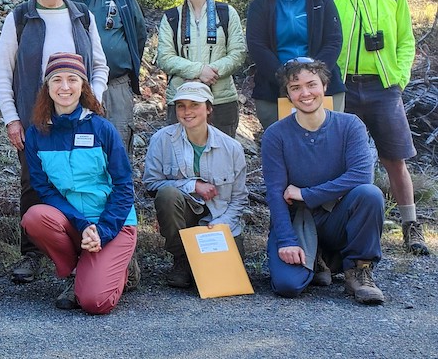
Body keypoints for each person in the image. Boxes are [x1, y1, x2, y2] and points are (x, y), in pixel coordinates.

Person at [0, 0, 109, 284]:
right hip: (35, 119)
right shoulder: (19, 18)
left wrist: (95, 99)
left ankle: (83, 247)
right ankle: (31, 255)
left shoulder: (82, 15)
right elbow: (4, 72)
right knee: (33, 183)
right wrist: (11, 118)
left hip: (80, 119)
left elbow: (100, 66)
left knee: (81, 180)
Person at [328, 0, 429, 255]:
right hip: (345, 86)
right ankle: (348, 226)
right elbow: (328, 43)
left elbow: (405, 40)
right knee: (342, 161)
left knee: (394, 157)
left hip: (383, 86)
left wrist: (398, 78)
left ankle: (410, 224)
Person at [262, 58, 385, 305]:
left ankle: (358, 270)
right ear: (287, 93)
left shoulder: (349, 125)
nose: (305, 93)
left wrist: (307, 194)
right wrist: (286, 240)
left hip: (337, 216)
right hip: (300, 219)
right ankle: (318, 258)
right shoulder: (275, 134)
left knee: (369, 194)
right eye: (296, 87)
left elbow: (361, 175)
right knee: (288, 286)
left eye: (311, 84)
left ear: (325, 86)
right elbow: (275, 193)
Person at [21, 53, 137, 314]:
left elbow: (124, 186)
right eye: (57, 80)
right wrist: (83, 225)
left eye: (72, 79)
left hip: (113, 223)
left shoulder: (102, 128)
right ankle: (77, 271)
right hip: (73, 222)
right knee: (35, 217)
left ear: (82, 86)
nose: (65, 87)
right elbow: (44, 190)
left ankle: (118, 269)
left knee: (95, 303)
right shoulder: (36, 134)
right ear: (47, 88)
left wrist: (102, 230)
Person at [143, 82, 247, 289]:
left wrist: (221, 224)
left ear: (208, 108)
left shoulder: (232, 148)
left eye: (194, 105)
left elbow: (239, 198)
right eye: (181, 106)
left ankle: (199, 261)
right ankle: (182, 258)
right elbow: (151, 184)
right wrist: (192, 185)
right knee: (167, 194)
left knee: (223, 281)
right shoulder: (161, 140)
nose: (187, 111)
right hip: (184, 216)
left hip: (219, 219)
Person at [246, 0, 344, 129]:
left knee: (327, 147)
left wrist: (313, 75)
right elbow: (257, 46)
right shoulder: (260, 5)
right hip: (273, 90)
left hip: (323, 86)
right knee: (284, 150)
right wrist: (286, 79)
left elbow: (333, 40)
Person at [64, 0, 146, 152]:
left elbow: (139, 35)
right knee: (81, 146)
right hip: (75, 89)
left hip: (116, 86)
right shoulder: (63, 0)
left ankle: (120, 186)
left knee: (117, 144)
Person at [156, 0, 246, 137]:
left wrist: (210, 73)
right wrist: (198, 71)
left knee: (222, 157)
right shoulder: (172, 17)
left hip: (221, 99)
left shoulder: (226, 13)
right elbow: (164, 58)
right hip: (182, 99)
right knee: (182, 158)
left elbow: (238, 54)